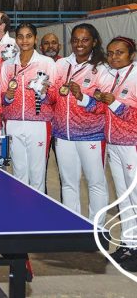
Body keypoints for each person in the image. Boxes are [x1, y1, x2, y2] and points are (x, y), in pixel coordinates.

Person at [79, 36, 137, 268]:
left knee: (135, 197)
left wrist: (114, 103)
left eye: (120, 53)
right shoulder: (112, 77)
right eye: (111, 53)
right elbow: (101, 107)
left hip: (132, 144)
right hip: (113, 143)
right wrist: (82, 97)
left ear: (131, 55)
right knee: (123, 198)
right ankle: (128, 243)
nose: (114, 57)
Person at [51, 24, 108, 225]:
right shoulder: (61, 64)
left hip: (91, 134)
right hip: (63, 134)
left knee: (95, 183)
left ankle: (96, 229)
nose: (79, 44)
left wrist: (82, 97)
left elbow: (104, 106)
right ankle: (72, 226)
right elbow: (52, 96)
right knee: (68, 183)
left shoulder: (102, 68)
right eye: (75, 40)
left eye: (85, 40)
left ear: (94, 42)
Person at [0, 23, 56, 192]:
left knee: (37, 172)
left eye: (29, 36)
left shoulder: (46, 62)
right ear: (16, 39)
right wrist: (8, 97)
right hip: (13, 123)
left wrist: (45, 93)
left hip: (38, 124)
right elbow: (2, 96)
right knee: (18, 171)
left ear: (35, 38)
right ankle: (20, 210)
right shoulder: (8, 64)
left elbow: (54, 96)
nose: (24, 40)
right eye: (20, 36)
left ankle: (36, 213)